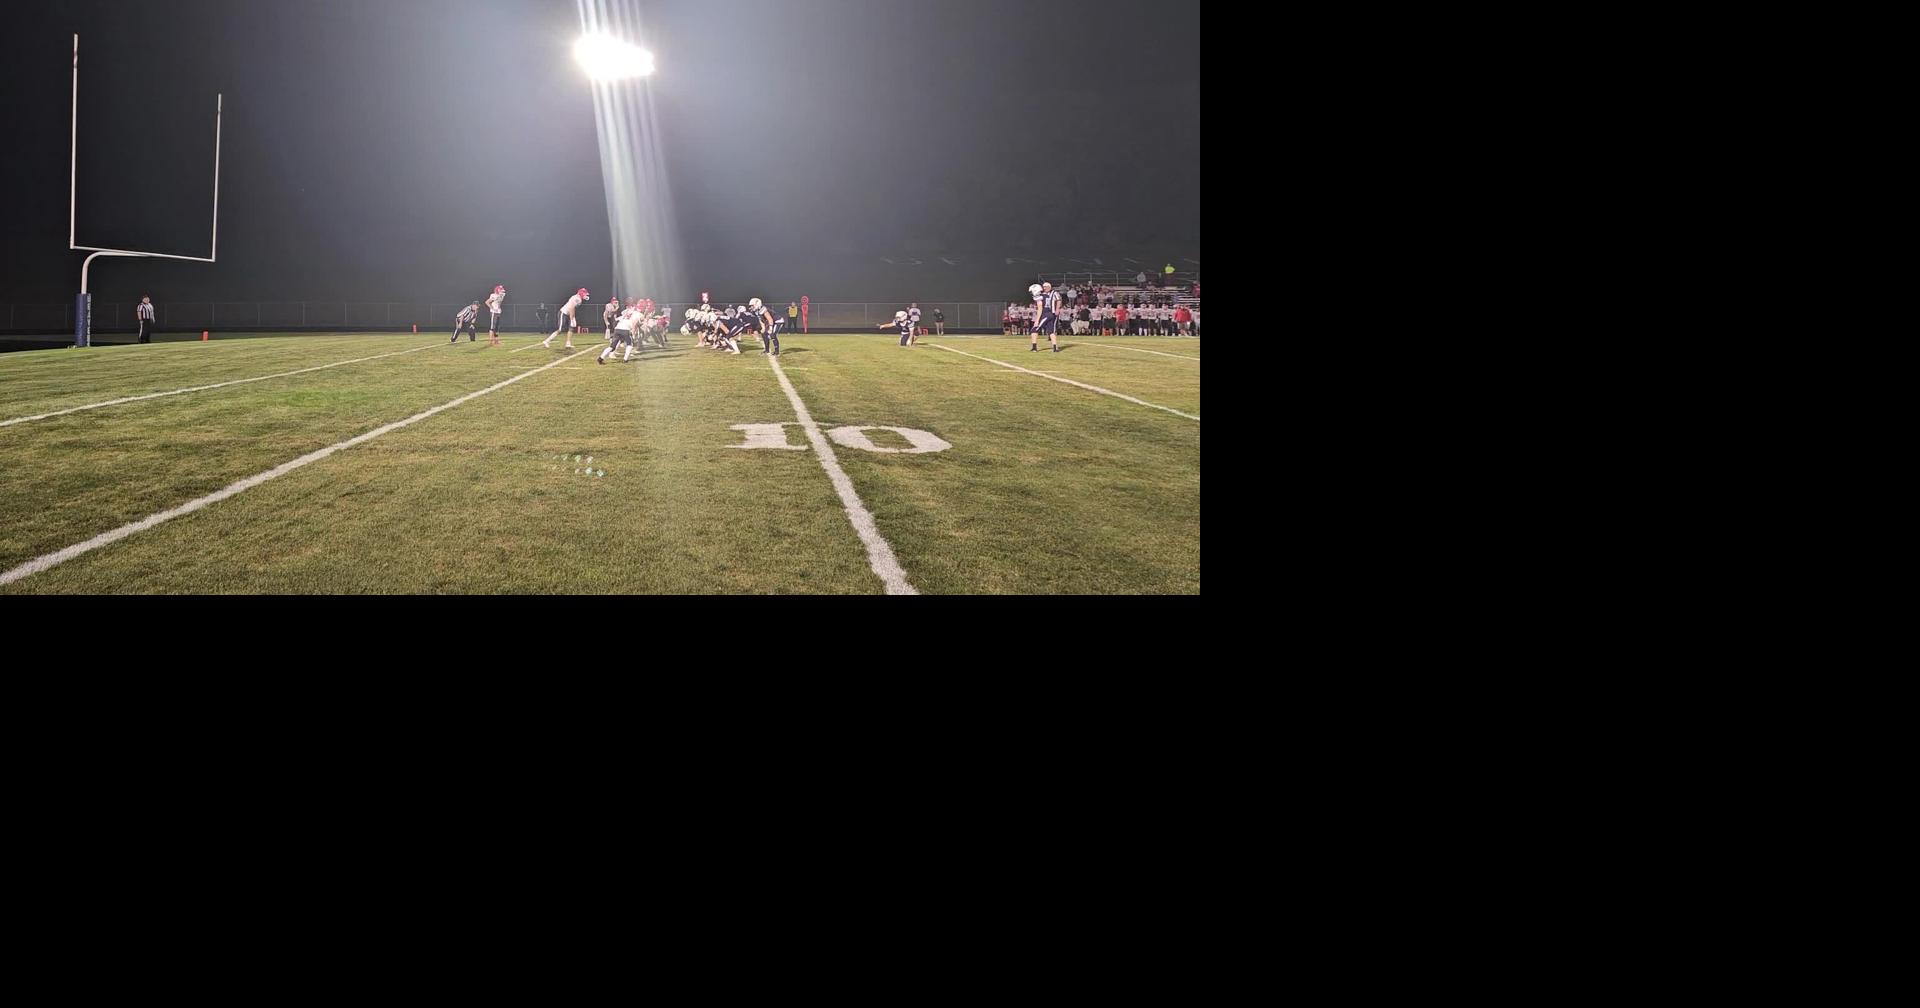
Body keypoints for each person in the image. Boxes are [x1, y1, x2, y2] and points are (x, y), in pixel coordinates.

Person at [1029, 281, 1060, 353]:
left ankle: (1034, 348)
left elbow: (1040, 309)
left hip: (1045, 314)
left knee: (1034, 329)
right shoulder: (1046, 295)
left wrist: (1037, 320)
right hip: (1050, 314)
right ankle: (1055, 348)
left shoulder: (1040, 297)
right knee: (1051, 331)